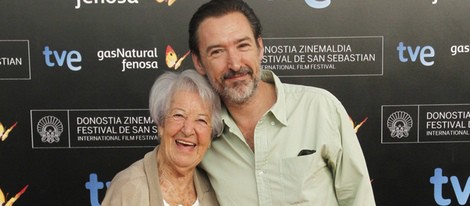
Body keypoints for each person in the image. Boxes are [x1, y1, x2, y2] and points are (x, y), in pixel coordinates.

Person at [188, 0, 376, 205]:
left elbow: (359, 199)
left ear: (260, 48)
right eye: (217, 51)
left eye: (243, 45)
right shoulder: (198, 134)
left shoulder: (320, 109)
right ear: (198, 62)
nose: (234, 63)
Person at [101, 69, 223, 206]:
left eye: (201, 120)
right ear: (161, 124)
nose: (188, 130)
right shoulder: (128, 189)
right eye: (178, 115)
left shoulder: (215, 193)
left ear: (210, 136)